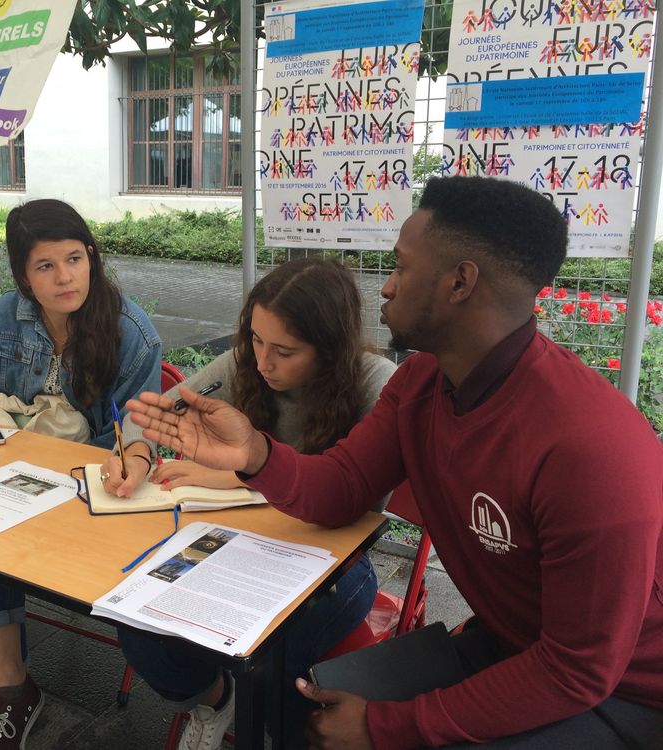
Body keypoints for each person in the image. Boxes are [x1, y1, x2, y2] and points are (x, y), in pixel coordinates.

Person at [127, 176, 663, 749]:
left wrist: (389, 727)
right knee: (304, 709)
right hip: (511, 643)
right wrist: (255, 455)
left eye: (401, 268)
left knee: (346, 725)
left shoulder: (590, 447)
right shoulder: (422, 383)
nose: (384, 287)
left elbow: (577, 670)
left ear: (459, 282)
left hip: (625, 693)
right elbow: (341, 487)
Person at [100, 258, 397, 750]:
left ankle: (281, 731)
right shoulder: (245, 364)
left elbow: (353, 503)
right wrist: (136, 451)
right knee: (139, 623)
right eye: (256, 340)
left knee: (277, 657)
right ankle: (216, 700)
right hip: (237, 544)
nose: (263, 362)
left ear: (332, 347)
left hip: (335, 563)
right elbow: (156, 414)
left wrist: (231, 479)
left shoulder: (375, 383)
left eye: (284, 350)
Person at [0, 199, 163, 750]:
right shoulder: (2, 319)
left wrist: (129, 457)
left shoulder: (129, 331)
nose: (65, 276)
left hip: (90, 489)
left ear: (91, 256)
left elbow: (140, 428)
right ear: (23, 275)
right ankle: (9, 687)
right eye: (46, 266)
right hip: (13, 473)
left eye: (74, 258)